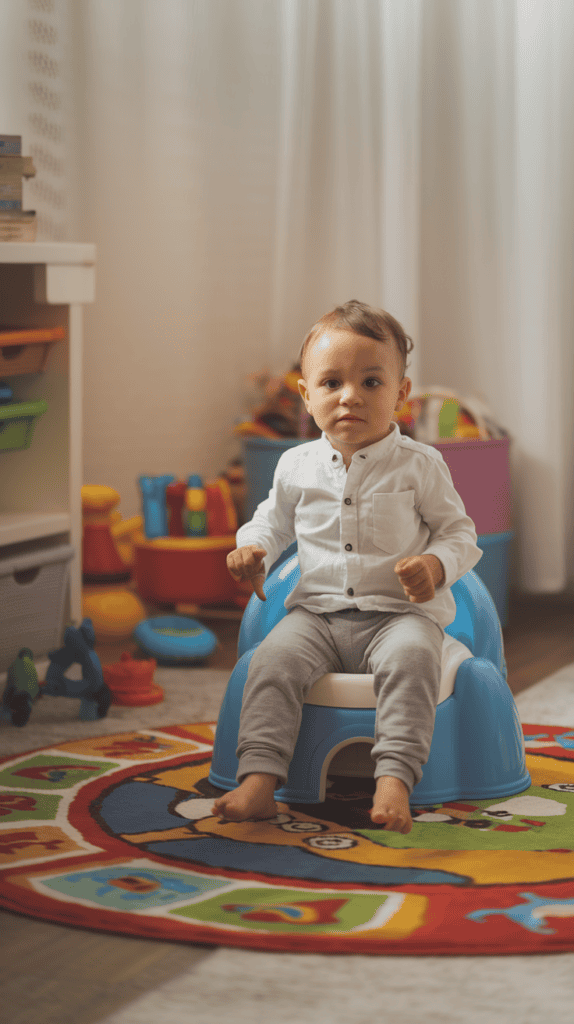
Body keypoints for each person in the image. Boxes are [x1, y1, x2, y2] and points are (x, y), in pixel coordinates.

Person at [211, 300, 481, 833]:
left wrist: (435, 563)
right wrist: (252, 547)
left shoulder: (419, 465)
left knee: (412, 660)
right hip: (317, 616)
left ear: (401, 395)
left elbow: (460, 533)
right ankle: (262, 780)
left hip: (399, 616)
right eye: (331, 382)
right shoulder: (295, 465)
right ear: (306, 396)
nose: (350, 395)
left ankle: (394, 781)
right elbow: (272, 522)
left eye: (372, 382)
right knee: (270, 662)